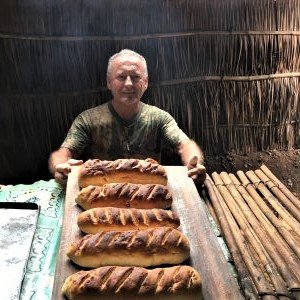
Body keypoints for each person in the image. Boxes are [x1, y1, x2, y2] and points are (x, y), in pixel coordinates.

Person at [49, 49, 206, 185]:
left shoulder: (159, 118)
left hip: (147, 192)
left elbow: (185, 145)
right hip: (101, 192)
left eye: (136, 77)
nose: (129, 83)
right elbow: (63, 153)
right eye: (121, 77)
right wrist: (60, 167)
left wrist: (194, 164)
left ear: (145, 82)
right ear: (109, 82)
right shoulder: (88, 119)